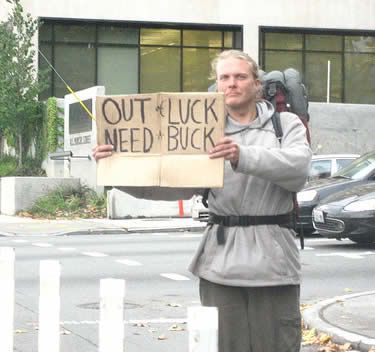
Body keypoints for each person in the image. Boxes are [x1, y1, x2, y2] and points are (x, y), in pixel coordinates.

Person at [93, 49, 312, 352]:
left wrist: (242, 155)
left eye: (240, 76)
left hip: (273, 264)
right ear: (217, 84)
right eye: (225, 77)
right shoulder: (202, 129)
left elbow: (298, 170)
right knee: (222, 346)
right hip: (220, 263)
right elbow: (172, 184)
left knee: (278, 346)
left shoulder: (284, 124)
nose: (231, 83)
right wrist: (115, 167)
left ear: (256, 83)